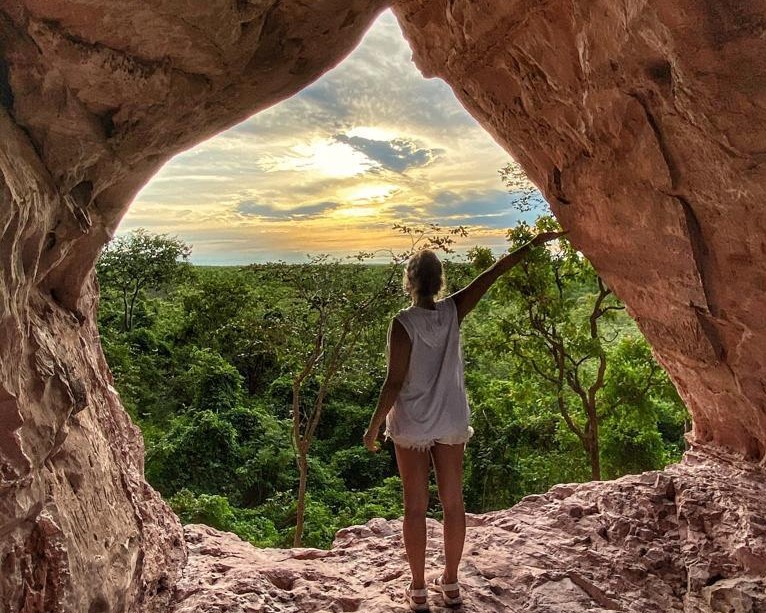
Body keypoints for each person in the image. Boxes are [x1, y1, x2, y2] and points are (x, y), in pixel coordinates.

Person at [363, 231, 564, 610]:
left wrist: (374, 425)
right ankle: (451, 583)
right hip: (451, 418)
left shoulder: (402, 323)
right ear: (440, 282)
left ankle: (418, 589)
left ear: (409, 281)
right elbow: (493, 272)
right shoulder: (454, 309)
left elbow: (393, 382)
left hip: (412, 422)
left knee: (414, 507)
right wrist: (534, 243)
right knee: (453, 503)